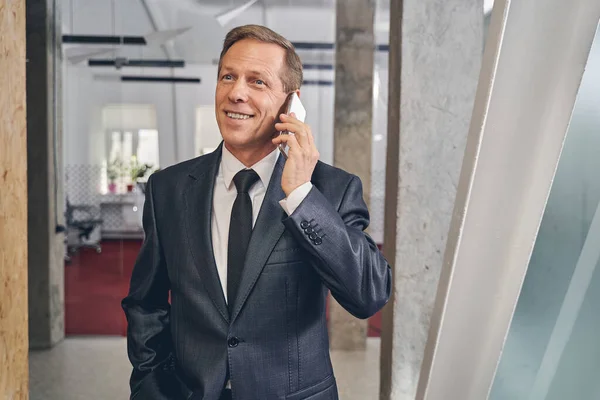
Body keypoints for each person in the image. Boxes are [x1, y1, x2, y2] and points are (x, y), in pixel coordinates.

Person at [122, 24, 391, 400]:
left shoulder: (330, 189)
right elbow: (145, 304)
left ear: (290, 103)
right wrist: (151, 387)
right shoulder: (168, 188)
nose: (236, 93)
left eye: (257, 82)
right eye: (227, 77)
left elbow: (369, 294)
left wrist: (300, 195)